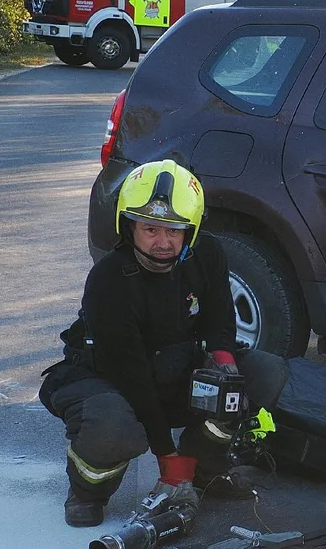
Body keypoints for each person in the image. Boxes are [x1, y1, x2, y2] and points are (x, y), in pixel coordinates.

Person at [39, 159, 288, 527]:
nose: (163, 242)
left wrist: (224, 367)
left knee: (262, 374)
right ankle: (87, 491)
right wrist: (167, 457)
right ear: (129, 226)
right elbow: (131, 374)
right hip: (109, 378)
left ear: (192, 230)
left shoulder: (208, 255)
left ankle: (204, 469)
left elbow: (220, 320)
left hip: (173, 368)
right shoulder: (109, 280)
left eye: (174, 230)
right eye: (150, 229)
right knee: (114, 429)